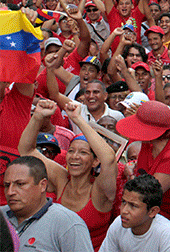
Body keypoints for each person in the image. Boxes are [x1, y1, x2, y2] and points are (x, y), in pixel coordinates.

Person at [18, 99, 117, 250]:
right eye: (71, 151)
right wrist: (38, 116)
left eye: (83, 152)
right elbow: (26, 150)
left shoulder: (100, 190)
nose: (75, 156)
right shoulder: (61, 179)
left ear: (95, 161)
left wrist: (78, 119)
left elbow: (109, 158)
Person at [115, 100, 170, 227]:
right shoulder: (147, 144)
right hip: (138, 212)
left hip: (162, 220)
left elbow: (147, 194)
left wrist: (130, 176)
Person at [1, 155, 94, 252]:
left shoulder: (67, 223)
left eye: (20, 184)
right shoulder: (1, 215)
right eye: (7, 185)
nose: (10, 192)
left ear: (43, 185)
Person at [99, 174, 170, 252]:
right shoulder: (118, 223)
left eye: (133, 206)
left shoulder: (166, 234)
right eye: (124, 202)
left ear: (152, 211)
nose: (124, 211)